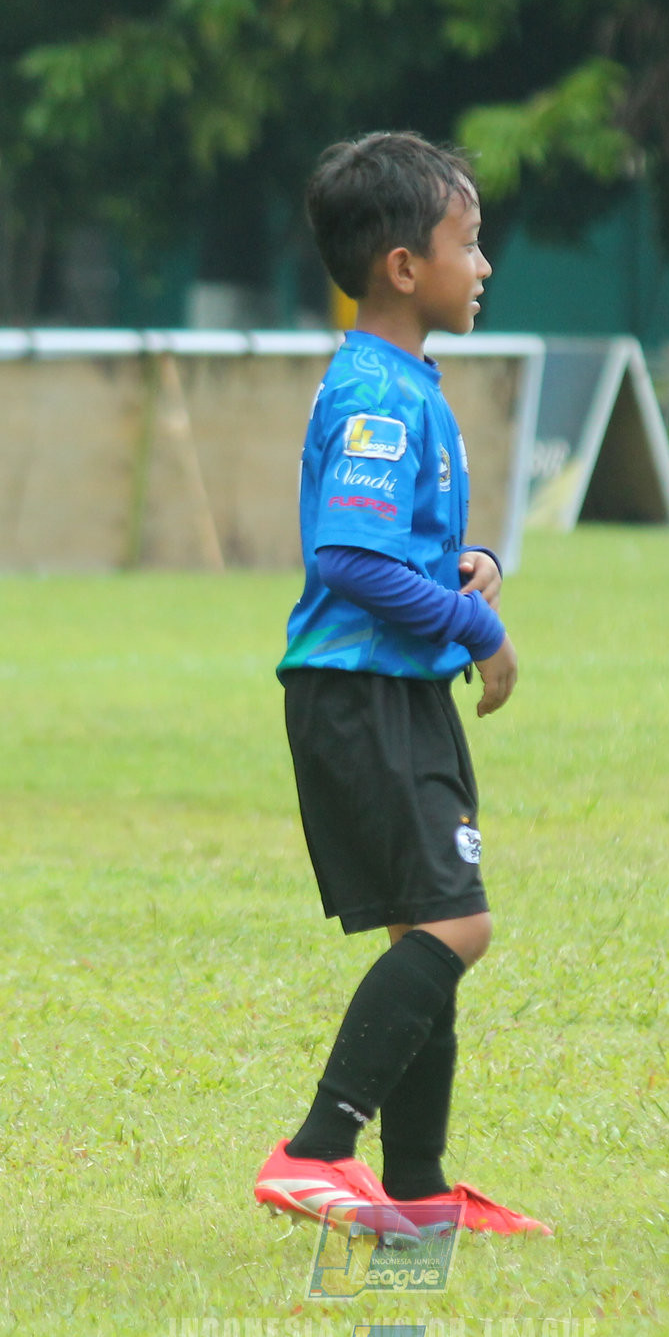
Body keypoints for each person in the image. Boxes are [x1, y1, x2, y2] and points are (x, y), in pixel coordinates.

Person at [250, 132, 547, 1238]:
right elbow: (351, 559)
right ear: (401, 266)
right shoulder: (377, 393)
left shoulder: (399, 380)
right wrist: (476, 624)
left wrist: (469, 565)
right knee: (456, 926)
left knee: (427, 922)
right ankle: (316, 1148)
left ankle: (417, 1188)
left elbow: (397, 549)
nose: (484, 265)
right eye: (469, 243)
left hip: (385, 689)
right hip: (361, 689)